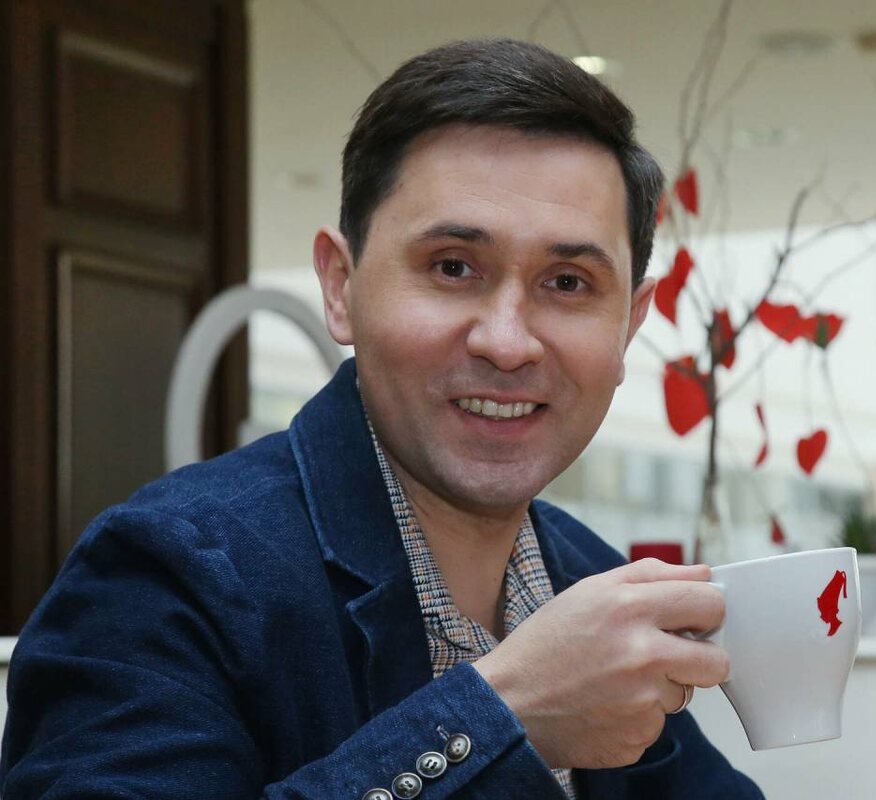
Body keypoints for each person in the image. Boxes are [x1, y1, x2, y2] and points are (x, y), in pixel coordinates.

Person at [0, 39, 764, 799]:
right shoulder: (170, 572)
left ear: (630, 324)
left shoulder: (589, 579)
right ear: (340, 286)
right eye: (453, 267)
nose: (507, 342)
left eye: (567, 282)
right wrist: (498, 720)